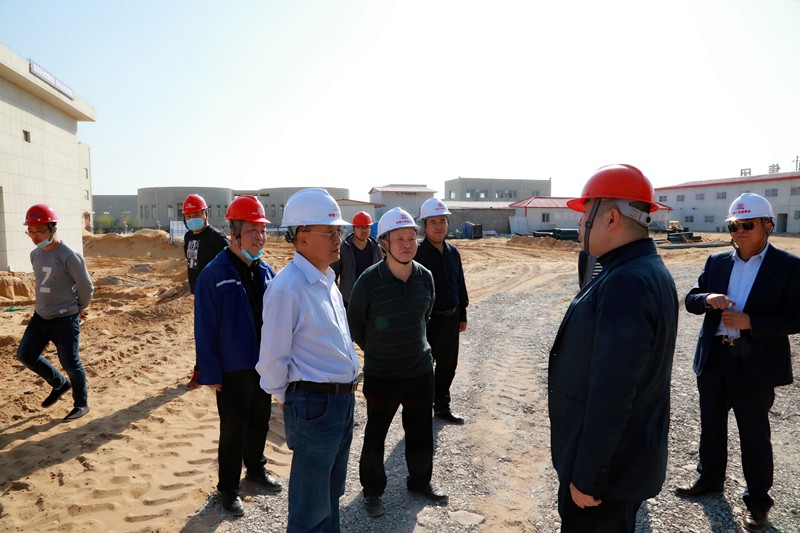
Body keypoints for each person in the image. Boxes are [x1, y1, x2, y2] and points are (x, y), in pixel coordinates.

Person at [548, 164, 678, 532]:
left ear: (610, 218)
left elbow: (613, 392)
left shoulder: (627, 283)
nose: (579, 224)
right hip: (621, 463)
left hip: (607, 478)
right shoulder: (639, 269)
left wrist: (588, 475)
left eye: (585, 214)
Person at [675, 193, 800, 532]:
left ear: (767, 225)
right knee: (711, 425)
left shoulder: (788, 266)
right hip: (715, 358)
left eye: (748, 224)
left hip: (755, 363)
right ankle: (710, 479)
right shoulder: (717, 261)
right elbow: (691, 299)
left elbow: (797, 316)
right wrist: (707, 299)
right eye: (734, 225)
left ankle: (757, 503)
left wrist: (752, 323)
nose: (740, 231)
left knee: (754, 434)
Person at [256, 188, 360, 533]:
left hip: (340, 402)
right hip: (314, 405)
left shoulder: (326, 280)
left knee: (330, 494)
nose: (338, 239)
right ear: (302, 238)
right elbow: (272, 357)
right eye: (330, 232)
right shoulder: (287, 287)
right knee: (309, 508)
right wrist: (286, 398)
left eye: (338, 231)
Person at [348, 207, 447, 517]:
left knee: (420, 431)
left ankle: (420, 481)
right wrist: (378, 349)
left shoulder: (425, 277)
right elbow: (355, 324)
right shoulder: (369, 281)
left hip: (419, 372)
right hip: (382, 374)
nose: (407, 244)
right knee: (376, 434)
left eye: (411, 238)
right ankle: (372, 490)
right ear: (384, 243)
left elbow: (425, 317)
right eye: (399, 239)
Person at [193, 195, 282, 517]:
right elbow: (204, 327)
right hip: (232, 370)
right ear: (234, 232)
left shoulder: (266, 272)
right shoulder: (214, 274)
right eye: (252, 230)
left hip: (263, 365)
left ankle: (255, 469)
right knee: (232, 430)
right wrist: (210, 372)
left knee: (260, 421)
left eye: (262, 230)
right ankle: (228, 487)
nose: (260, 237)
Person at [17, 204, 94, 422]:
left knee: (70, 362)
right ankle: (59, 383)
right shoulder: (35, 254)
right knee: (25, 355)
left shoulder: (69, 256)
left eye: (40, 231)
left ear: (53, 228)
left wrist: (79, 309)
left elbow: (86, 287)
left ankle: (81, 404)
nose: (35, 236)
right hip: (40, 316)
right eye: (30, 231)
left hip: (65, 319)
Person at [414, 198, 469, 425]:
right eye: (433, 222)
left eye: (442, 221)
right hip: (428, 322)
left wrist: (462, 313)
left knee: (448, 366)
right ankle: (419, 410)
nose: (439, 226)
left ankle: (442, 407)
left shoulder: (453, 252)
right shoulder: (417, 254)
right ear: (425, 226)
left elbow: (459, 283)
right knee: (424, 368)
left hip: (452, 318)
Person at [183, 193, 229, 390]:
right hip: (198, 295)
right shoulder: (188, 237)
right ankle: (201, 369)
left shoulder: (217, 238)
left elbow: (230, 265)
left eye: (196, 214)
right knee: (202, 334)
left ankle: (206, 370)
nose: (192, 219)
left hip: (216, 296)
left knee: (217, 334)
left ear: (205, 214)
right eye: (188, 216)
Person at [331, 211, 382, 308]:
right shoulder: (344, 248)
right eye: (360, 227)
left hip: (372, 300)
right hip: (349, 300)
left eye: (367, 227)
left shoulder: (375, 248)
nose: (364, 230)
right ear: (354, 228)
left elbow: (381, 272)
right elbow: (333, 274)